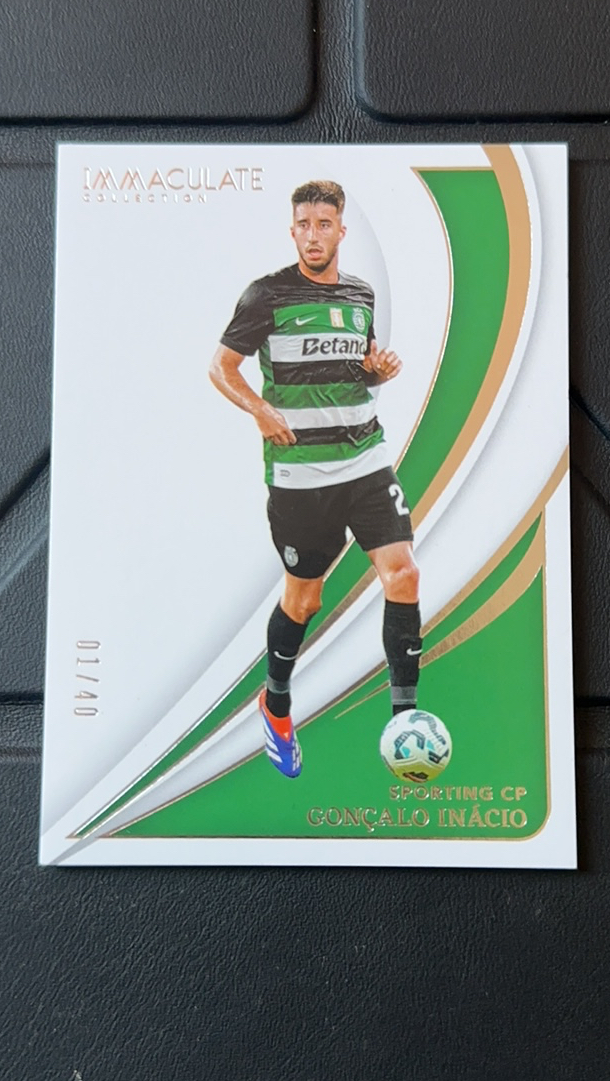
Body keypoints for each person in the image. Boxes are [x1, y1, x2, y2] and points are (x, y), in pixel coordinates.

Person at [209, 180, 421, 778]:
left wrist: (377, 370)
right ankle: (275, 703)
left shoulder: (360, 294)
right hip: (300, 475)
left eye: (323, 224)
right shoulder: (267, 295)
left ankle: (404, 721)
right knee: (305, 598)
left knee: (403, 573)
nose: (313, 234)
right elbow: (221, 367)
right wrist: (260, 409)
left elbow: (357, 370)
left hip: (365, 459)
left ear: (340, 231)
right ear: (293, 230)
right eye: (303, 224)